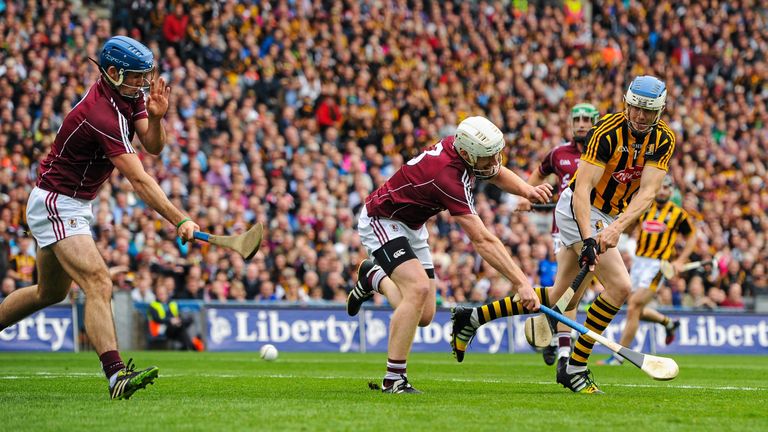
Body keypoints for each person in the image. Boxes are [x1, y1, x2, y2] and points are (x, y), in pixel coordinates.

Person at [0, 36, 200, 400]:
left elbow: (153, 146)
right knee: (98, 281)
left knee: (50, 293)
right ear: (112, 72)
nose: (144, 83)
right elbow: (139, 178)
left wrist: (156, 119)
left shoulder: (130, 95)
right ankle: (115, 375)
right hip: (58, 202)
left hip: (72, 203)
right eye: (138, 77)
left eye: (146, 76)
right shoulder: (100, 114)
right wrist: (179, 218)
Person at [450, 76, 674, 394]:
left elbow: (648, 193)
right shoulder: (607, 132)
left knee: (559, 297)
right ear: (626, 103)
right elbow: (581, 188)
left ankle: (472, 316)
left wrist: (615, 228)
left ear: (659, 111)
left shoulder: (663, 140)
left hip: (609, 216)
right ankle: (576, 366)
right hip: (577, 209)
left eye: (648, 112)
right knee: (620, 287)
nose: (640, 116)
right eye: (635, 108)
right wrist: (590, 239)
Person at [347, 116, 552, 393]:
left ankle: (373, 277)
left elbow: (495, 173)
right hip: (382, 220)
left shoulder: (464, 152)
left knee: (424, 315)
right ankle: (394, 378)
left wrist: (527, 190)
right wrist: (521, 283)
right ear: (467, 154)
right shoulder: (447, 176)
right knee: (417, 289)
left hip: (412, 226)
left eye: (495, 155)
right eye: (487, 157)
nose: (493, 162)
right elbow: (482, 239)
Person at [517, 103, 600, 366]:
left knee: (566, 290)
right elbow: (538, 175)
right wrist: (526, 195)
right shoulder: (558, 154)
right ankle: (565, 349)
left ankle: (556, 338)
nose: (581, 124)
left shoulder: (603, 152)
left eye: (587, 119)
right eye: (577, 119)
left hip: (593, 226)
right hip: (562, 229)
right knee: (571, 288)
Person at [598, 176, 693, 366]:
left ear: (671, 190)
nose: (664, 191)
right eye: (661, 187)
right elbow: (627, 228)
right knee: (635, 308)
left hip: (658, 265)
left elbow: (691, 237)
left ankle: (619, 356)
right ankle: (668, 322)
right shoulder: (644, 209)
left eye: (667, 188)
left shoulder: (678, 214)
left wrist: (681, 260)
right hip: (639, 262)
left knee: (633, 306)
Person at [147, 284, 203, 351]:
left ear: (167, 294)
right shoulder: (153, 305)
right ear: (156, 294)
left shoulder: (172, 303)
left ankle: (185, 347)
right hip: (162, 328)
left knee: (186, 322)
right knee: (180, 327)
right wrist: (170, 320)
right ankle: (191, 346)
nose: (161, 296)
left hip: (175, 327)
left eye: (163, 294)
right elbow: (157, 319)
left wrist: (178, 320)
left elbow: (178, 315)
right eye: (160, 294)